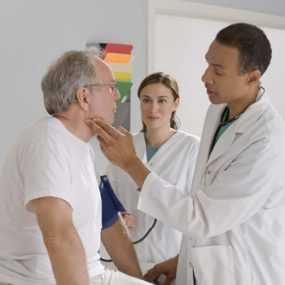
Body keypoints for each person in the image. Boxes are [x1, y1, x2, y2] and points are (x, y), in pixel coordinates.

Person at [89, 23, 285, 285]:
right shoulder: (218, 112)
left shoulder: (265, 140)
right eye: (207, 64)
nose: (205, 77)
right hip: (198, 266)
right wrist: (184, 260)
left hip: (244, 273)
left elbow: (202, 217)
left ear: (252, 76)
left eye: (218, 70)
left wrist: (131, 163)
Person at [0, 50, 152, 285]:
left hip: (91, 272)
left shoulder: (81, 146)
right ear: (84, 97)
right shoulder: (47, 140)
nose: (117, 97)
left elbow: (106, 222)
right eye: (111, 87)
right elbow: (58, 236)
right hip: (38, 279)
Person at [105, 72, 199, 283]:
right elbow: (109, 194)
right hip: (125, 260)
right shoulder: (124, 144)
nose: (153, 108)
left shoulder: (193, 149)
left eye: (162, 100)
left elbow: (198, 210)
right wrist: (120, 213)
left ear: (176, 103)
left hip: (170, 260)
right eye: (146, 100)